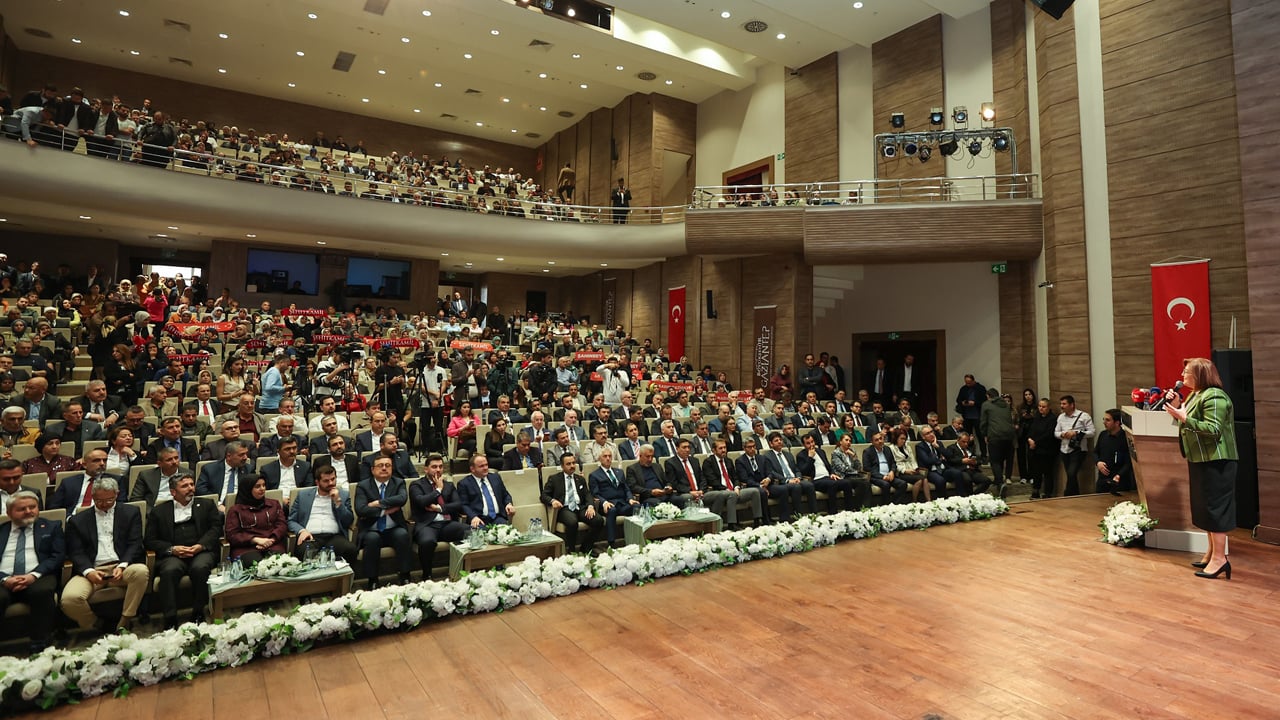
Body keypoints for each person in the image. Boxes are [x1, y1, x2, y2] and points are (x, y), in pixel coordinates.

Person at [1164, 357, 1238, 580]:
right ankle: (1211, 553)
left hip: (1217, 461)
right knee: (1205, 507)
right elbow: (1190, 423)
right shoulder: (1196, 395)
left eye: (1187, 372)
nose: (1183, 375)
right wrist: (1178, 407)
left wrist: (1184, 417)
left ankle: (1220, 559)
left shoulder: (1215, 396)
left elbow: (1213, 429)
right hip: (1201, 459)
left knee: (1216, 508)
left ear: (1200, 375)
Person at [62, 477, 149, 633]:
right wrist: (89, 572)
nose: (104, 505)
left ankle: (125, 620)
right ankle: (98, 624)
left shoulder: (131, 512)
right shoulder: (77, 521)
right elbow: (76, 552)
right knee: (70, 599)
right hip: (92, 570)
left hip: (121, 567)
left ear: (117, 494)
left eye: (109, 500)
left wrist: (123, 565)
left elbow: (135, 543)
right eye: (99, 500)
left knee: (141, 571)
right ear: (93, 497)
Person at [145, 473, 221, 628]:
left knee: (200, 568)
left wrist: (201, 545)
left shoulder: (207, 504)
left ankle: (198, 612)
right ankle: (171, 617)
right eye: (185, 486)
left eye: (192, 484)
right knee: (169, 571)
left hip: (200, 550)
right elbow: (150, 540)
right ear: (173, 491)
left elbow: (215, 529)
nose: (190, 488)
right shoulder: (159, 511)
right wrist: (172, 549)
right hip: (174, 554)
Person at [0, 490, 65, 652]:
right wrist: (4, 579)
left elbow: (57, 556)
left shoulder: (51, 527)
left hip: (38, 575)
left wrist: (33, 575)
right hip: (4, 579)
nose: (29, 511)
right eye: (22, 509)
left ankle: (40, 641)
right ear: (8, 512)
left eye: (32, 507)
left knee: (42, 591)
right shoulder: (1, 531)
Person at [409, 454, 468, 575]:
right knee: (427, 542)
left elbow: (458, 505)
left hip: (447, 523)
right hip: (427, 525)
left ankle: (462, 570)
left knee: (469, 531)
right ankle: (427, 574)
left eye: (441, 467)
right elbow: (422, 502)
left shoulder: (449, 485)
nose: (438, 470)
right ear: (426, 469)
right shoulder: (416, 485)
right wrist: (438, 490)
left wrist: (439, 508)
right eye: (434, 467)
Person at [288, 465, 358, 567]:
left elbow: (348, 521)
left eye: (333, 479)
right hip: (311, 537)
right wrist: (301, 531)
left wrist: (338, 502)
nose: (331, 483)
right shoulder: (303, 495)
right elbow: (291, 521)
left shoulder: (343, 495)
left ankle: (346, 582)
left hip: (334, 537)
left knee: (350, 549)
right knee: (302, 551)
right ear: (317, 482)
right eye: (326, 481)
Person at [542, 453, 604, 554]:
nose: (572, 466)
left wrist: (590, 506)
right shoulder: (554, 479)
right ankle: (571, 551)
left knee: (598, 520)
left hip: (580, 507)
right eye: (568, 464)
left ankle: (586, 548)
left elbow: (587, 494)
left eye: (573, 463)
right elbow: (544, 495)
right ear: (562, 466)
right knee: (572, 522)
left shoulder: (580, 479)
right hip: (564, 508)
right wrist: (553, 501)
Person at [224, 473, 288, 565]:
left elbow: (282, 525)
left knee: (280, 565)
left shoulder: (274, 504)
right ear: (248, 489)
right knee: (257, 566)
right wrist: (255, 539)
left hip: (273, 544)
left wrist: (271, 540)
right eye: (257, 486)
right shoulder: (236, 510)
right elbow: (232, 534)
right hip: (246, 548)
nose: (262, 489)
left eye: (264, 485)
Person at [702, 439, 763, 528]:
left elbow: (735, 477)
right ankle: (732, 524)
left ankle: (757, 521)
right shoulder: (708, 462)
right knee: (731, 494)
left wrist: (736, 487)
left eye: (725, 448)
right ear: (714, 450)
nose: (723, 450)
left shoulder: (728, 461)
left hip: (734, 490)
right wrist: (726, 489)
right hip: (720, 491)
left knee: (755, 491)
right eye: (720, 448)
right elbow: (712, 480)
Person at [589, 447, 637, 546]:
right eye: (605, 456)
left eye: (610, 456)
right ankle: (612, 543)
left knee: (637, 507)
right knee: (612, 510)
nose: (608, 458)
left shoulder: (619, 472)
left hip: (622, 503)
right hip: (607, 505)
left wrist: (630, 499)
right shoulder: (594, 475)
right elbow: (595, 494)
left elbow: (626, 488)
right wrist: (604, 502)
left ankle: (636, 538)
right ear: (600, 459)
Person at [457, 455, 516, 527]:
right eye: (481, 466)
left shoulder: (495, 477)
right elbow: (464, 505)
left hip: (497, 518)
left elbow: (505, 495)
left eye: (486, 465)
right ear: (472, 469)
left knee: (508, 533)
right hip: (479, 519)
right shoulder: (464, 484)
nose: (485, 468)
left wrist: (508, 504)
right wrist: (473, 517)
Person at [1053, 395, 1094, 496]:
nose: (1061, 406)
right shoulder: (1061, 417)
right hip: (1064, 449)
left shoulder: (1084, 416)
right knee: (1071, 475)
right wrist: (1062, 434)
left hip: (1078, 449)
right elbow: (1055, 432)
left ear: (1072, 405)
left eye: (1064, 404)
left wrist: (1076, 433)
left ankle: (1067, 494)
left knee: (1071, 473)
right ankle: (1075, 495)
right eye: (1061, 404)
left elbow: (1092, 432)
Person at [979, 387, 1015, 494]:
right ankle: (1000, 479)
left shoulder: (986, 405)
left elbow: (983, 422)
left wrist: (984, 434)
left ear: (988, 396)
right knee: (1003, 459)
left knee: (994, 460)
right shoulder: (1006, 405)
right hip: (1009, 436)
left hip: (995, 435)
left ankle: (1000, 483)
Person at [1094, 408, 1132, 496]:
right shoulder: (1103, 435)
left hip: (1119, 480)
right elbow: (1095, 452)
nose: (1104, 422)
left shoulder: (1125, 438)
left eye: (1108, 420)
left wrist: (1119, 475)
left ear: (1117, 422)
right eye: (1104, 419)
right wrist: (1098, 462)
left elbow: (1129, 461)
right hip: (1103, 479)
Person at [1027, 398, 1059, 499]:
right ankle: (1036, 490)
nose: (1041, 408)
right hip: (1035, 449)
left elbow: (1049, 434)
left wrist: (1035, 442)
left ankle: (1048, 492)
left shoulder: (1052, 419)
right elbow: (1031, 430)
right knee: (1036, 471)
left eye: (1043, 407)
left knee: (1047, 472)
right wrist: (1030, 439)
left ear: (1049, 407)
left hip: (1047, 450)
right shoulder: (1037, 417)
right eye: (1040, 406)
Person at [863, 431, 907, 503]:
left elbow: (893, 463)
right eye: (876, 440)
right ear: (872, 442)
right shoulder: (867, 452)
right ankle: (886, 505)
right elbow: (867, 468)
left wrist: (892, 471)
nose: (880, 441)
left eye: (881, 438)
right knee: (885, 484)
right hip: (876, 477)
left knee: (903, 484)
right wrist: (882, 477)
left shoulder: (887, 449)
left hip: (889, 475)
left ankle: (894, 504)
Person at [955, 374, 987, 458]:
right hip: (967, 416)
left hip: (977, 416)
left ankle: (984, 455)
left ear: (973, 381)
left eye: (969, 383)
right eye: (966, 383)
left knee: (980, 437)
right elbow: (958, 399)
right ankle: (969, 454)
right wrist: (963, 403)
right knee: (967, 437)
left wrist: (975, 403)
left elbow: (984, 402)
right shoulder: (964, 389)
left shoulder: (980, 388)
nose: (968, 384)